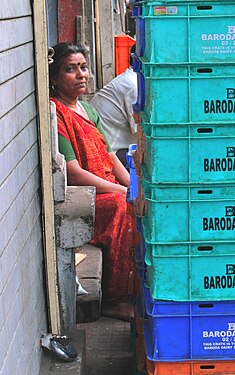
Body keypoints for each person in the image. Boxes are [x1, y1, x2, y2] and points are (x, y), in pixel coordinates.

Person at [49, 42, 134, 321]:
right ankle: (114, 299)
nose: (81, 74)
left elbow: (110, 157)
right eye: (70, 69)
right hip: (87, 195)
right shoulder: (57, 113)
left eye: (83, 67)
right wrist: (122, 190)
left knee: (140, 201)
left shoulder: (88, 110)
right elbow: (73, 172)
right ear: (54, 77)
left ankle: (137, 289)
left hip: (109, 187)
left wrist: (134, 185)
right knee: (123, 206)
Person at [89, 45, 138, 167]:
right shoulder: (133, 85)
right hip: (111, 154)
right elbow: (143, 132)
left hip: (110, 149)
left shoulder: (131, 80)